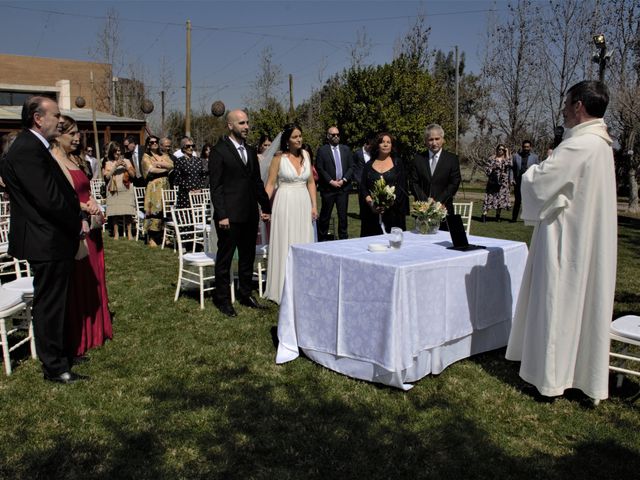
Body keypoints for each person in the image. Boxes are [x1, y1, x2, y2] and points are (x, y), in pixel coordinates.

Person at [505, 80, 617, 402]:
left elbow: (540, 182)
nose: (564, 111)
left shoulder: (580, 145)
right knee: (580, 306)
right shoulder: (601, 143)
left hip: (566, 240)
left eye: (567, 105)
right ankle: (579, 376)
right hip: (587, 238)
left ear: (579, 105)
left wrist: (532, 172)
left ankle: (550, 380)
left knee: (557, 303)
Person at [1, 96, 84, 383]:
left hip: (52, 237)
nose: (60, 120)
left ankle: (61, 354)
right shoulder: (27, 149)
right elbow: (48, 199)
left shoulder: (36, 146)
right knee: (50, 305)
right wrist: (77, 224)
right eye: (56, 115)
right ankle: (55, 367)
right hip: (45, 239)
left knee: (57, 302)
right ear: (38, 118)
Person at [51, 115, 112, 359]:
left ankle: (96, 330)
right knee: (78, 283)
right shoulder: (53, 161)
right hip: (75, 230)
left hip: (92, 229)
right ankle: (79, 336)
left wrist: (94, 203)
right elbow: (57, 196)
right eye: (72, 134)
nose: (77, 138)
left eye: (78, 133)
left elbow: (84, 189)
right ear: (57, 135)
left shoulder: (74, 159)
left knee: (94, 278)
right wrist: (83, 207)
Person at [210, 109, 271, 317]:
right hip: (229, 216)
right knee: (225, 258)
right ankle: (223, 299)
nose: (247, 127)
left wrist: (266, 206)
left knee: (248, 256)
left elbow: (256, 182)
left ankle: (245, 294)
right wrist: (222, 215)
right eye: (242, 123)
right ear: (230, 125)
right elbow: (216, 187)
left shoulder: (251, 150)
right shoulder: (219, 150)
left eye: (247, 123)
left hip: (249, 214)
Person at [264, 123, 317, 304]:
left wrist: (314, 205)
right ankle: (281, 287)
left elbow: (311, 182)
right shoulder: (278, 159)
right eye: (295, 137)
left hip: (303, 201)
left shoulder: (306, 155)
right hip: (284, 202)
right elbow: (270, 184)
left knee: (303, 240)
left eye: (300, 136)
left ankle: (303, 286)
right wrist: (264, 206)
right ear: (287, 141)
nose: (299, 139)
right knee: (285, 241)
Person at [359, 132, 408, 236]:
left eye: (388, 142)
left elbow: (402, 187)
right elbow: (363, 187)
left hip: (394, 214)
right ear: (377, 145)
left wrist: (388, 204)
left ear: (392, 145)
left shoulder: (398, 163)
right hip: (371, 214)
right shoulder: (368, 165)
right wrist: (371, 204)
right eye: (382, 142)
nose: (385, 144)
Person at [408, 123, 461, 218]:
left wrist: (438, 202)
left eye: (437, 138)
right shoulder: (418, 159)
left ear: (443, 139)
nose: (434, 142)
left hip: (444, 209)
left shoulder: (452, 159)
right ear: (425, 141)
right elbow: (413, 183)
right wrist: (426, 202)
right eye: (430, 139)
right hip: (421, 210)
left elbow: (454, 183)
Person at [315, 126, 354, 240]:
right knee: (325, 217)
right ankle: (322, 240)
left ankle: (343, 240)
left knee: (343, 217)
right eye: (333, 135)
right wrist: (331, 181)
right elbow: (320, 168)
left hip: (343, 188)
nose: (336, 136)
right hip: (328, 190)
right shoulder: (322, 150)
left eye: (337, 134)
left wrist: (344, 180)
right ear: (328, 136)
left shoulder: (346, 149)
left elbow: (351, 167)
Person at [141, 135, 174, 247]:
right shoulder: (146, 156)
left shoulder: (163, 155)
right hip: (154, 188)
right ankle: (152, 237)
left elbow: (172, 164)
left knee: (164, 211)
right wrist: (164, 168)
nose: (154, 144)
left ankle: (164, 236)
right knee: (154, 211)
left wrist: (159, 164)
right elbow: (151, 169)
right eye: (151, 142)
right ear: (148, 145)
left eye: (156, 142)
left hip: (165, 185)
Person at [103, 141, 136, 240]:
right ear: (112, 152)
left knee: (128, 212)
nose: (118, 153)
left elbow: (133, 175)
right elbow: (107, 177)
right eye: (116, 151)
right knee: (115, 213)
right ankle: (116, 233)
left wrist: (126, 166)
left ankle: (129, 233)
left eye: (119, 151)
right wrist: (115, 166)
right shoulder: (108, 163)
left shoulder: (127, 161)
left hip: (126, 189)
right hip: (114, 190)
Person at [481, 144, 512, 222]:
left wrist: (507, 153)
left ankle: (498, 216)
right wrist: (493, 168)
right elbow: (487, 170)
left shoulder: (506, 159)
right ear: (497, 149)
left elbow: (510, 165)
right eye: (499, 149)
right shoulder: (492, 158)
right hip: (493, 181)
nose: (501, 151)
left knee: (500, 199)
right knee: (490, 198)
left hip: (503, 183)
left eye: (503, 150)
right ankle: (484, 214)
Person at [510, 140, 540, 222]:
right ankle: (513, 219)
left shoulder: (535, 157)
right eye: (524, 147)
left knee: (528, 201)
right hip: (518, 181)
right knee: (517, 201)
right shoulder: (516, 156)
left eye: (527, 147)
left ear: (530, 147)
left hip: (529, 181)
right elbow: (512, 169)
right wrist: (511, 179)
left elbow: (537, 169)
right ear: (522, 147)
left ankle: (529, 218)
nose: (526, 148)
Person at [173, 136, 206, 209]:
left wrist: (200, 189)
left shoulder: (198, 160)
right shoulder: (179, 161)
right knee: (186, 217)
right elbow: (177, 179)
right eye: (188, 146)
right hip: (185, 194)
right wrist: (189, 189)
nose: (191, 148)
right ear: (183, 148)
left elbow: (203, 176)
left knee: (199, 217)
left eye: (192, 146)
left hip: (198, 194)